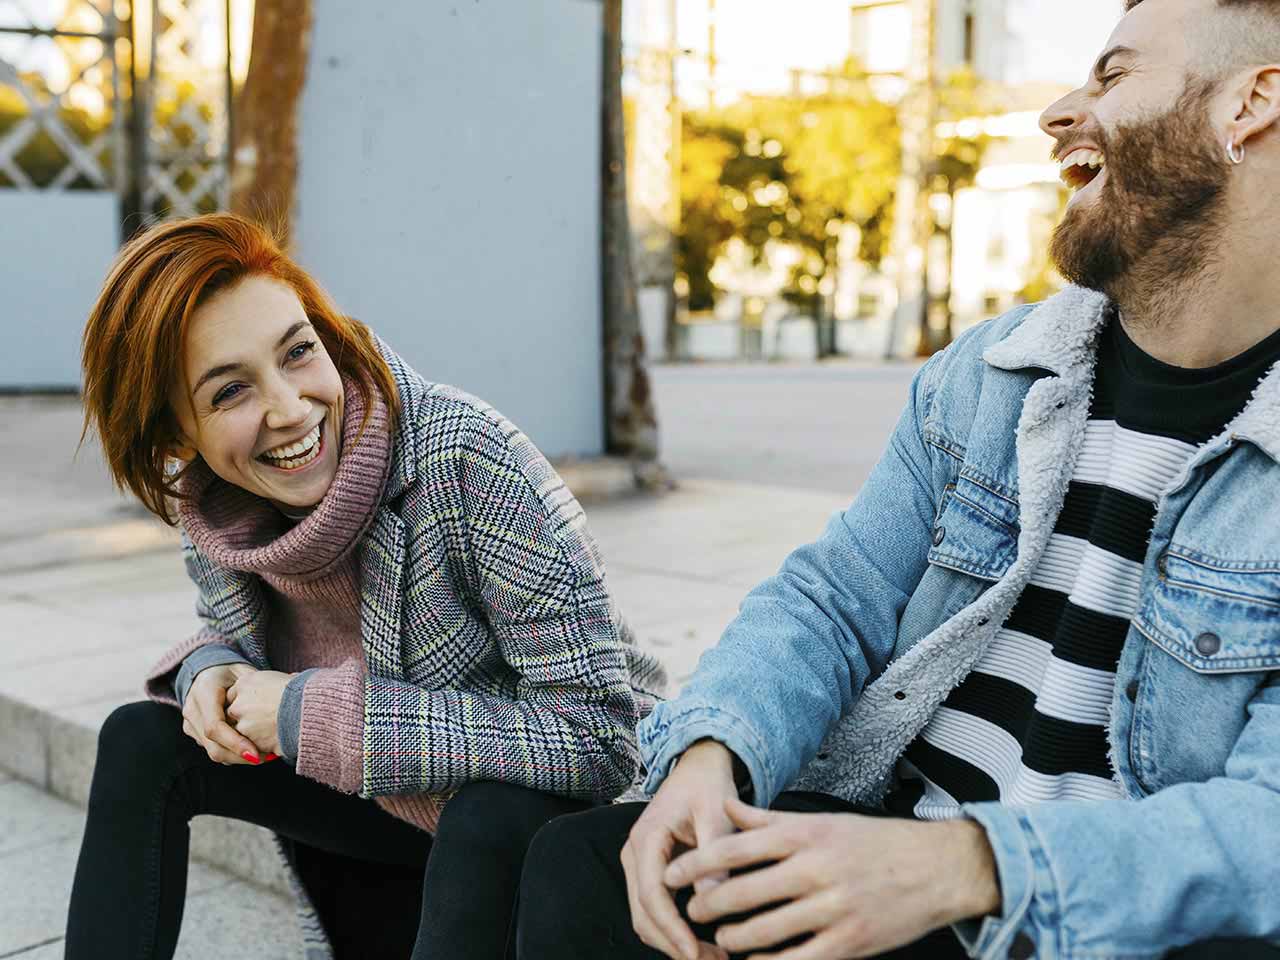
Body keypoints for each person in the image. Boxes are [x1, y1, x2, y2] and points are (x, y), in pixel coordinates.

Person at [517, 0, 1280, 957]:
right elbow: (836, 598)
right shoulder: (998, 368)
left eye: (1114, 76)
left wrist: (965, 867)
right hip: (900, 849)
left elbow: (1264, 828)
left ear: (1249, 103)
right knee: (563, 854)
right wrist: (715, 748)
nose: (1059, 111)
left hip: (1094, 918)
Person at [64, 212, 666, 960]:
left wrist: (316, 713)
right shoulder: (215, 507)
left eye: (297, 353)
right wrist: (207, 671)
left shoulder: (466, 459)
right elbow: (234, 638)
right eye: (229, 393)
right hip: (391, 815)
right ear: (176, 435)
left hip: (544, 833)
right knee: (142, 738)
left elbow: (601, 739)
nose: (289, 409)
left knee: (486, 814)